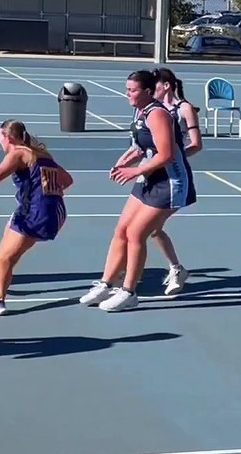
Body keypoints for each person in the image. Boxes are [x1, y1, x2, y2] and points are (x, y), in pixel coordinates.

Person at [81, 69, 196, 312]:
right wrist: (124, 162)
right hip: (149, 178)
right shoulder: (140, 112)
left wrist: (134, 172)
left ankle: (129, 291)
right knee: (121, 230)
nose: (127, 94)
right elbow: (140, 147)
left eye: (132, 90)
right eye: (127, 90)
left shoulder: (158, 115)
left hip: (169, 183)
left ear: (147, 91)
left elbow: (166, 155)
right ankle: (106, 283)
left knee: (136, 233)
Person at [0, 120, 73, 315]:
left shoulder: (18, 153)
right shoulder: (43, 155)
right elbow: (67, 180)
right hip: (56, 211)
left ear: (8, 137)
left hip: (34, 213)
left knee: (5, 259)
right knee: (11, 224)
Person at [146, 67, 202, 295]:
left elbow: (197, 144)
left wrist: (171, 158)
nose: (152, 91)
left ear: (166, 85)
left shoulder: (184, 109)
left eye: (155, 86)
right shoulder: (153, 110)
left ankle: (174, 269)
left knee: (146, 227)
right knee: (150, 229)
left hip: (174, 176)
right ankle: (176, 268)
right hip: (153, 174)